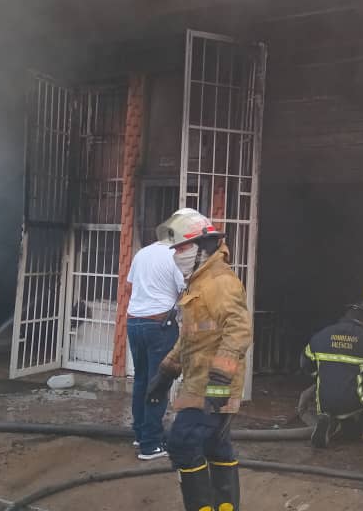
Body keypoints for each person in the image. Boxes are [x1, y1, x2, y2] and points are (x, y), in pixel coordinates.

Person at [146, 208, 251, 511]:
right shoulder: (199, 282)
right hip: (198, 382)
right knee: (215, 445)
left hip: (213, 384)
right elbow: (191, 337)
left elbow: (239, 331)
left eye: (183, 247)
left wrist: (219, 382)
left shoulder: (220, 281)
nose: (177, 254)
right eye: (175, 248)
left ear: (205, 246)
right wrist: (165, 374)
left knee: (182, 443)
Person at [300, 286, 363, 448]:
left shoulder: (322, 334)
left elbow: (306, 366)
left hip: (324, 403)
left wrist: (329, 374)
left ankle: (331, 423)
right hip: (354, 400)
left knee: (337, 381)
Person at [125, 232, 186, 461]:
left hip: (134, 322)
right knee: (158, 382)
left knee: (141, 380)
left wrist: (147, 297)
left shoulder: (142, 254)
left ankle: (140, 434)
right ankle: (151, 445)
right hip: (159, 325)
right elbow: (185, 291)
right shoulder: (175, 256)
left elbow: (129, 287)